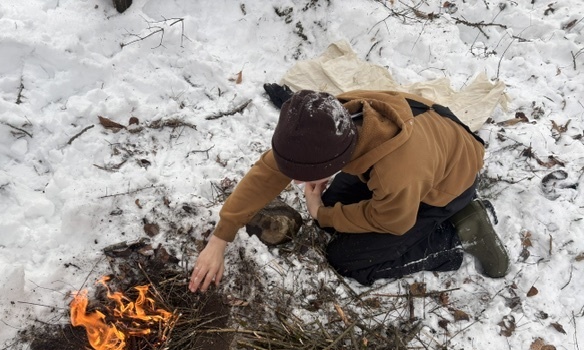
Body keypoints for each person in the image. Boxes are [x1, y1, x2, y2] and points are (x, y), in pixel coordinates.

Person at [188, 88, 509, 293]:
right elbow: (269, 171)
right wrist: (221, 237)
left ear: (338, 159)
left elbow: (394, 221)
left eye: (305, 175)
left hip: (447, 185)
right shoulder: (335, 117)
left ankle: (456, 236)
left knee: (349, 259)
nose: (298, 182)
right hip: (432, 153)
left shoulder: (397, 171)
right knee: (334, 200)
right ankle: (450, 216)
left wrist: (322, 215)